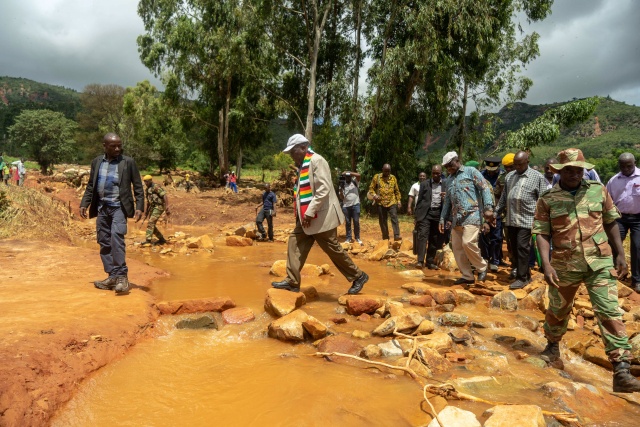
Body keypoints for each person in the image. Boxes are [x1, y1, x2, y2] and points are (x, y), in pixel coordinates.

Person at [533, 148, 640, 393]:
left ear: (584, 170)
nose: (574, 174)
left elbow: (611, 221)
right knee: (559, 308)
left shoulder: (598, 190)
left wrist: (620, 254)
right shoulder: (548, 199)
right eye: (569, 170)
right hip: (564, 264)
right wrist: (546, 264)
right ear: (559, 171)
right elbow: (542, 232)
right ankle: (552, 346)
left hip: (599, 262)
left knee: (609, 311)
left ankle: (621, 369)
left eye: (578, 169)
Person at [271, 134, 368, 294]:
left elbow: (324, 188)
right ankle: (292, 281)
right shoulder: (303, 164)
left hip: (320, 215)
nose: (292, 156)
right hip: (308, 217)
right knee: (294, 241)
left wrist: (309, 213)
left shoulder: (317, 161)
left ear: (303, 148)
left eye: (293, 152)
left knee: (332, 248)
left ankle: (358, 276)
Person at [80, 133, 144, 294]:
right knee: (104, 241)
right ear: (105, 146)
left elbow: (138, 186)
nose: (117, 148)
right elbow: (91, 185)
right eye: (113, 146)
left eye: (119, 145)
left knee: (116, 238)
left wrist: (140, 206)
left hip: (119, 208)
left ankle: (122, 276)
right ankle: (112, 276)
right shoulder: (97, 162)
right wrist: (84, 203)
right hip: (102, 208)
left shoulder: (127, 162)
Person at [439, 151, 494, 285]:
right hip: (455, 218)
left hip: (472, 214)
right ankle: (467, 275)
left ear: (457, 161)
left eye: (450, 165)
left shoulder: (471, 171)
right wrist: (442, 218)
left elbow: (484, 188)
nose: (448, 169)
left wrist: (488, 208)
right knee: (457, 247)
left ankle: (482, 267)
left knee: (468, 242)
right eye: (446, 167)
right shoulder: (449, 180)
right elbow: (447, 201)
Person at [496, 151, 547, 289]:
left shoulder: (537, 177)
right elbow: (504, 198)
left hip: (527, 219)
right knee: (514, 248)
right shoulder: (509, 177)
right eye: (515, 165)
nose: (517, 167)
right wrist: (496, 213)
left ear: (527, 162)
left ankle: (521, 278)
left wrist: (542, 220)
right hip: (511, 219)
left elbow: (543, 200)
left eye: (520, 164)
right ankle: (526, 275)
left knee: (522, 247)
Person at [606, 153, 640, 293]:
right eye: (622, 166)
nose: (626, 168)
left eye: (629, 166)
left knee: (638, 247)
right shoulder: (613, 181)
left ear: (635, 163)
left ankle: (637, 280)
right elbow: (607, 200)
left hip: (638, 218)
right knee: (614, 243)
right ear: (619, 165)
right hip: (619, 218)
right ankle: (617, 273)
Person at [415, 165, 445, 269]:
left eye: (438, 173)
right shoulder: (424, 184)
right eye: (434, 173)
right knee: (423, 236)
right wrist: (417, 217)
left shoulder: (445, 184)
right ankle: (420, 261)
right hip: (426, 214)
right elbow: (419, 201)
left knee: (434, 238)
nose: (436, 175)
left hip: (438, 215)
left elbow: (448, 202)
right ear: (431, 173)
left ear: (441, 173)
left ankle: (430, 261)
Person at [481, 157, 504, 272]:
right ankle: (484, 258)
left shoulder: (503, 177)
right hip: (483, 211)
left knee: (497, 237)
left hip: (497, 210)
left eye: (493, 169)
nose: (490, 171)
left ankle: (494, 260)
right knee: (484, 235)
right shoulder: (481, 176)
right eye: (489, 169)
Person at [368, 164, 402, 241]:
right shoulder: (377, 177)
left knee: (394, 218)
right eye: (385, 171)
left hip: (391, 202)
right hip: (381, 203)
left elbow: (396, 191)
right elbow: (371, 188)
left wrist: (399, 201)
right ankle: (385, 237)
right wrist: (374, 195)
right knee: (383, 221)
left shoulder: (393, 178)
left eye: (388, 171)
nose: (387, 173)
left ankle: (396, 235)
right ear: (382, 169)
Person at [142, 175, 169, 245]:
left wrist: (167, 207)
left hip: (159, 207)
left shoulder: (156, 187)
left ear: (151, 180)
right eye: (145, 182)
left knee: (151, 223)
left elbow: (164, 195)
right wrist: (146, 212)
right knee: (151, 225)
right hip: (152, 207)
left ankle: (148, 240)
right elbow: (148, 201)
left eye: (147, 181)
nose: (146, 183)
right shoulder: (147, 189)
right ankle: (161, 239)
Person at [339, 171, 362, 245]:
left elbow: (359, 175)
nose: (348, 178)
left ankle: (357, 237)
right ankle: (348, 238)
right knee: (348, 223)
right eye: (346, 176)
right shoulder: (342, 185)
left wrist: (349, 173)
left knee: (356, 221)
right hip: (346, 206)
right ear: (345, 177)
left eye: (349, 176)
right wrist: (341, 191)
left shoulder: (354, 182)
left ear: (351, 177)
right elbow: (341, 198)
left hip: (355, 204)